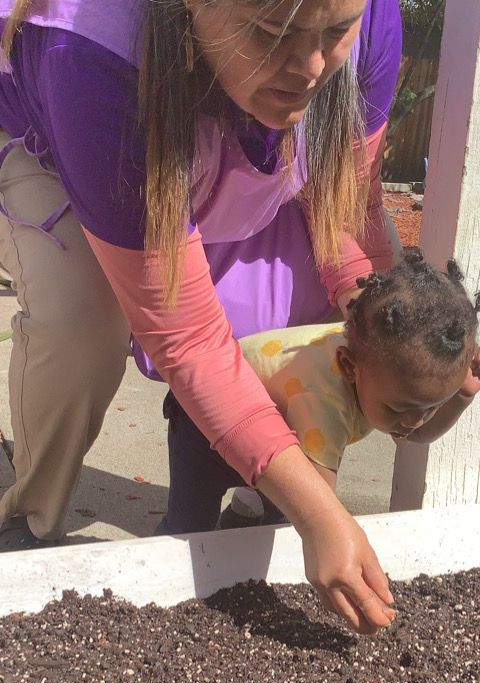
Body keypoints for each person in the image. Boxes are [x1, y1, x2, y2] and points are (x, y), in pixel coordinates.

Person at [0, 0, 404, 634]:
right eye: (272, 31)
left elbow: (345, 212)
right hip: (64, 139)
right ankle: (32, 514)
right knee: (81, 320)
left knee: (286, 327)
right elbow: (185, 335)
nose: (309, 66)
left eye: (334, 32)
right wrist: (322, 514)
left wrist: (382, 319)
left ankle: (254, 499)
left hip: (226, 141)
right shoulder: (89, 52)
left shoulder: (370, 19)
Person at [161, 249, 480, 530]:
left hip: (278, 426)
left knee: (280, 499)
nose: (414, 421)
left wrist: (462, 396)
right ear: (349, 367)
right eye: (399, 409)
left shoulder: (378, 355)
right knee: (190, 525)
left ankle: (243, 517)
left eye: (431, 407)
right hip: (203, 425)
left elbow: (413, 435)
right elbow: (318, 510)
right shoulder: (324, 399)